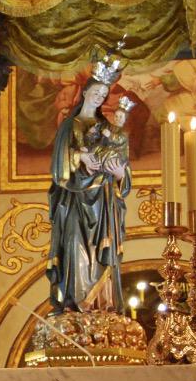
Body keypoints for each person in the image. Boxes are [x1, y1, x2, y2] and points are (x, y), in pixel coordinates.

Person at [46, 46, 133, 313]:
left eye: (104, 95)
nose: (99, 98)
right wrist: (79, 158)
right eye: (96, 93)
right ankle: (75, 306)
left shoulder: (108, 129)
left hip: (104, 203)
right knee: (75, 247)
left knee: (101, 256)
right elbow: (58, 166)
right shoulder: (69, 127)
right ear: (85, 92)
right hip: (74, 202)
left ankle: (102, 309)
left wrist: (120, 174)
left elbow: (121, 163)